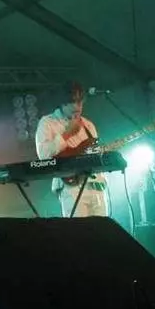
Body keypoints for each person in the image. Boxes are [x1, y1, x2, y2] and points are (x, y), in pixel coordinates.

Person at [35, 81, 108, 217]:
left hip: (95, 185)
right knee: (78, 229)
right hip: (71, 187)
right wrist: (67, 134)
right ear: (62, 103)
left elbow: (94, 154)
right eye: (71, 102)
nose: (76, 106)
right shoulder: (47, 122)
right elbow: (43, 155)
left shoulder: (88, 125)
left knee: (103, 228)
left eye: (79, 102)